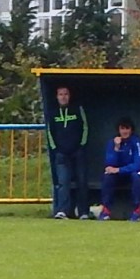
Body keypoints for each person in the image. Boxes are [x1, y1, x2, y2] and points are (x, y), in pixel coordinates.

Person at [46, 86, 89, 219]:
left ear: (70, 96)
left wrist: (81, 146)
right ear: (57, 97)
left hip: (77, 152)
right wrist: (55, 149)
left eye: (66, 94)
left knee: (82, 181)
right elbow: (49, 131)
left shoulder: (77, 109)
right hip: (61, 153)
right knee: (63, 182)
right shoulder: (52, 113)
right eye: (61, 94)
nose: (63, 97)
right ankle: (62, 211)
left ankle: (83, 212)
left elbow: (85, 127)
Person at [99, 117, 140, 221]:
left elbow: (138, 164)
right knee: (107, 176)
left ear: (131, 130)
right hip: (119, 176)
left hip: (131, 174)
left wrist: (119, 170)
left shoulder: (137, 142)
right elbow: (109, 164)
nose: (125, 131)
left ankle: (137, 211)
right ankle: (106, 210)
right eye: (122, 129)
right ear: (118, 130)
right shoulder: (112, 142)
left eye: (127, 128)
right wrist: (116, 148)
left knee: (137, 175)